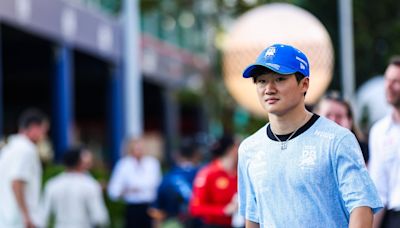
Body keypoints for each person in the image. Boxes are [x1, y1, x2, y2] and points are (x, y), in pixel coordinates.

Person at [237, 44, 382, 227]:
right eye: (261, 81)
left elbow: (362, 207)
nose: (269, 89)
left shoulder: (337, 139)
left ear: (304, 84)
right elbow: (253, 218)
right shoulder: (249, 148)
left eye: (280, 79)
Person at [0, 108, 49, 228]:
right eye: (44, 130)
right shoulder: (26, 149)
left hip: (6, 218)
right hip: (20, 221)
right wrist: (26, 217)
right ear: (34, 128)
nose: (44, 135)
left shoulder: (8, 149)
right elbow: (16, 182)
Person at [41, 146, 109, 228]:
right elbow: (100, 218)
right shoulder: (90, 184)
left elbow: (43, 216)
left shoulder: (52, 184)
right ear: (80, 162)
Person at [368, 56, 400, 228]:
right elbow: (379, 190)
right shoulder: (379, 131)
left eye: (396, 81)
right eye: (387, 79)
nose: (388, 86)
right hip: (394, 218)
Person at [108, 136, 161, 228]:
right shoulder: (123, 164)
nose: (139, 151)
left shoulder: (152, 163)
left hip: (150, 207)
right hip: (133, 208)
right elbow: (113, 191)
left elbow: (158, 186)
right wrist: (127, 191)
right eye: (136, 148)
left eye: (141, 148)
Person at [149, 137, 203, 228]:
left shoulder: (167, 177)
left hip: (173, 223)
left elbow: (156, 211)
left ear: (177, 155)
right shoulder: (204, 174)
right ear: (196, 155)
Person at [189, 134, 240, 228]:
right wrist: (223, 210)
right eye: (238, 145)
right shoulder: (208, 173)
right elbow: (195, 208)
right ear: (231, 150)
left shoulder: (241, 172)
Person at [314, 90, 370, 163]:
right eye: (328, 115)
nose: (333, 121)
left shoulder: (362, 152)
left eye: (339, 116)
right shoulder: (307, 148)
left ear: (350, 121)